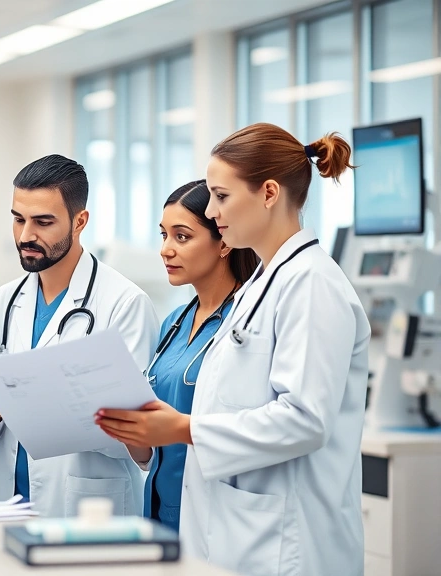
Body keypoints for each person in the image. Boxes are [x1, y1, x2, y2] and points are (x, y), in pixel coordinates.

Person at [97, 123, 370, 575]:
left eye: (221, 196)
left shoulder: (312, 284)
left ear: (268, 193)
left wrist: (184, 428)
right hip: (240, 532)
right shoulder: (261, 286)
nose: (211, 210)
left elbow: (304, 421)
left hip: (291, 543)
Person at [0, 154, 159, 517]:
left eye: (43, 222)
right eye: (18, 219)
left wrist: (40, 407)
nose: (25, 236)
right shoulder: (6, 300)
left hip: (87, 506)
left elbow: (139, 436)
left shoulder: (124, 303)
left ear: (80, 221)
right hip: (9, 500)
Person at [112, 179, 259, 532]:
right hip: (159, 511)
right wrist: (131, 433)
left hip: (213, 516)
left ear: (224, 242)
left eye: (181, 236)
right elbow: (151, 451)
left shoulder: (247, 322)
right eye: (164, 235)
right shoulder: (173, 324)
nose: (165, 250)